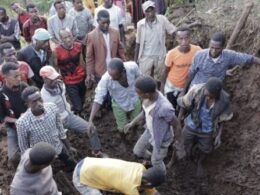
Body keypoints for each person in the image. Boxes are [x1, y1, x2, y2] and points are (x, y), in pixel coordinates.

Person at [40, 65, 106, 157]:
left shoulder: (60, 84)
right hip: (57, 122)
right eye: (52, 79)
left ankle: (97, 151)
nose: (55, 80)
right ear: (45, 79)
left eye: (55, 78)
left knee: (91, 129)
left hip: (69, 115)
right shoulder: (44, 97)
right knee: (62, 148)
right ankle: (70, 160)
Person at [177, 77, 233, 177]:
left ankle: (200, 162)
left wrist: (218, 136)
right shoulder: (197, 90)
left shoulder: (224, 100)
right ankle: (187, 157)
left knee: (206, 149)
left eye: (210, 96)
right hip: (192, 123)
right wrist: (178, 121)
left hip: (208, 129)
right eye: (206, 94)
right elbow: (184, 104)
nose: (207, 97)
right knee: (183, 142)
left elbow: (223, 119)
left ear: (217, 95)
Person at [124, 76, 181, 174]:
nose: (137, 95)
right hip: (150, 131)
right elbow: (144, 113)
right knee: (138, 151)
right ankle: (154, 158)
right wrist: (132, 123)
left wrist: (178, 141)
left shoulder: (164, 108)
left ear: (147, 94)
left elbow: (177, 125)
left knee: (156, 161)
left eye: (138, 93)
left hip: (162, 138)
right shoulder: (147, 98)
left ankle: (161, 174)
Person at [16, 86, 76, 167]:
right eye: (34, 102)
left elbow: (60, 130)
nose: (39, 103)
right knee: (47, 174)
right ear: (27, 104)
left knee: (70, 163)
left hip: (58, 147)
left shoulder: (52, 107)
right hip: (42, 157)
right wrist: (30, 163)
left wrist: (69, 147)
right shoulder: (22, 123)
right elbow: (24, 148)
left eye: (40, 99)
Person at [89, 58, 141, 136]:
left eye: (114, 76)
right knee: (122, 128)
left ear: (123, 72)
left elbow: (140, 78)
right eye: (110, 75)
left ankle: (134, 133)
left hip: (134, 99)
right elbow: (98, 99)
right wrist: (90, 120)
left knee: (136, 121)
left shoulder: (132, 67)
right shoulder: (106, 79)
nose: (112, 78)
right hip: (119, 104)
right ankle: (123, 139)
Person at [188, 32, 260, 88]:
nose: (213, 51)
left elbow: (248, 58)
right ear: (209, 44)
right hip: (197, 88)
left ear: (223, 47)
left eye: (217, 48)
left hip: (215, 90)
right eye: (212, 47)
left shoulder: (228, 56)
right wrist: (185, 89)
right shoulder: (199, 55)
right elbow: (191, 73)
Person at [134, 1, 176, 84]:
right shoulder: (140, 24)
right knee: (145, 79)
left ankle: (159, 93)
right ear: (144, 13)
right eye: (147, 11)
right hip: (145, 56)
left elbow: (173, 31)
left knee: (159, 79)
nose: (150, 13)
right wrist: (135, 60)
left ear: (155, 10)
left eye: (152, 10)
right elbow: (138, 43)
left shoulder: (162, 19)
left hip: (160, 55)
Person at [73, 157, 165, 194]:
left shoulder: (140, 167)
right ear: (148, 183)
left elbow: (152, 191)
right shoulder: (130, 187)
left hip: (87, 161)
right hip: (81, 177)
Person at [161, 27, 201, 111]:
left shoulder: (197, 50)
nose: (184, 41)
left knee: (185, 108)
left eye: (186, 38)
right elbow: (165, 72)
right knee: (171, 107)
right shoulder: (171, 54)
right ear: (176, 39)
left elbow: (207, 61)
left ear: (190, 37)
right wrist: (161, 90)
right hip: (172, 86)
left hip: (188, 85)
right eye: (181, 39)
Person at [86, 9, 125, 86]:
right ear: (97, 21)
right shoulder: (92, 36)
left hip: (115, 71)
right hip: (100, 72)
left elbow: (120, 50)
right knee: (104, 95)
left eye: (108, 22)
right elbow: (89, 57)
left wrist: (124, 63)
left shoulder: (115, 32)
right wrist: (89, 73)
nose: (106, 25)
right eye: (103, 23)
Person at [52, 28, 86, 115]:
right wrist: (58, 80)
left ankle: (77, 112)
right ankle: (79, 116)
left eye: (69, 36)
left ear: (72, 35)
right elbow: (56, 67)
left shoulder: (78, 46)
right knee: (77, 103)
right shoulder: (56, 51)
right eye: (64, 37)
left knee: (82, 99)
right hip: (69, 81)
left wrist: (87, 74)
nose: (68, 39)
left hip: (81, 77)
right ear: (60, 39)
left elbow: (82, 61)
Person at [0, 63, 28, 167]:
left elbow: (32, 102)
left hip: (30, 122)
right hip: (13, 127)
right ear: (5, 77)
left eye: (20, 75)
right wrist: (17, 120)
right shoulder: (1, 94)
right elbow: (3, 117)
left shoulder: (24, 86)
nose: (19, 78)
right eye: (16, 76)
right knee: (14, 157)